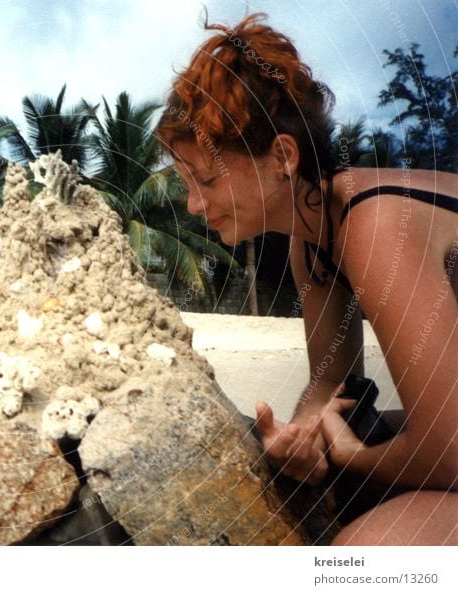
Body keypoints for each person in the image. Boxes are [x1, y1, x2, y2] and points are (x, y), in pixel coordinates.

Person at [156, 12, 458, 545]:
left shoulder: (374, 223)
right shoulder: (313, 239)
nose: (193, 204)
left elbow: (449, 451)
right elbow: (330, 384)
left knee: (361, 557)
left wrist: (350, 455)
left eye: (204, 179)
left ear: (282, 156)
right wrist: (300, 437)